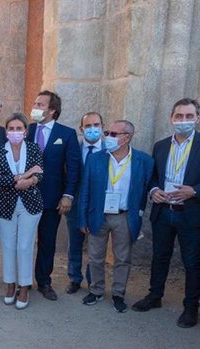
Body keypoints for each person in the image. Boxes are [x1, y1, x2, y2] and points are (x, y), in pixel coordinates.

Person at [132, 98, 200, 328]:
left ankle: (191, 309)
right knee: (160, 256)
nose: (183, 121)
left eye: (189, 116)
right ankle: (155, 296)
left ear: (197, 118)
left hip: (190, 214)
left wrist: (194, 191)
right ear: (172, 118)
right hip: (163, 211)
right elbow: (153, 176)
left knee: (192, 262)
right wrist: (153, 191)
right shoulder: (161, 146)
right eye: (179, 116)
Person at [78, 120, 153, 313]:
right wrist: (82, 219)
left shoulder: (144, 161)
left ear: (127, 137)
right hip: (98, 215)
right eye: (107, 133)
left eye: (113, 134)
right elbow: (85, 190)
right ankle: (96, 290)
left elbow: (144, 190)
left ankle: (119, 293)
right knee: (95, 257)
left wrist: (139, 213)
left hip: (124, 216)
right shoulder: (96, 159)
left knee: (122, 258)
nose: (108, 137)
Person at [27, 90, 80, 301]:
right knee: (23, 241)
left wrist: (68, 195)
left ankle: (44, 281)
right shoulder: (26, 130)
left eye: (40, 104)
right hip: (25, 197)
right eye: (35, 102)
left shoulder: (66, 134)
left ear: (52, 110)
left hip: (51, 198)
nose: (35, 106)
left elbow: (73, 168)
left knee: (47, 241)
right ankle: (21, 280)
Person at [0, 113, 44, 310]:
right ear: (6, 132)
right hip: (4, 206)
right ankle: (10, 284)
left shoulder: (33, 148)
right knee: (8, 246)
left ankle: (24, 286)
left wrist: (30, 180)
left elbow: (40, 172)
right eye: (11, 129)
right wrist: (21, 177)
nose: (15, 132)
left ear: (25, 131)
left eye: (18, 129)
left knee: (24, 246)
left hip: (30, 204)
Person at [65, 112, 104, 294]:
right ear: (81, 129)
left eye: (96, 125)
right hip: (76, 203)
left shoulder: (108, 151)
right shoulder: (74, 149)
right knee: (75, 242)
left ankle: (93, 280)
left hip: (98, 205)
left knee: (96, 245)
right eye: (88, 126)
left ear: (102, 127)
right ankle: (74, 278)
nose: (92, 129)